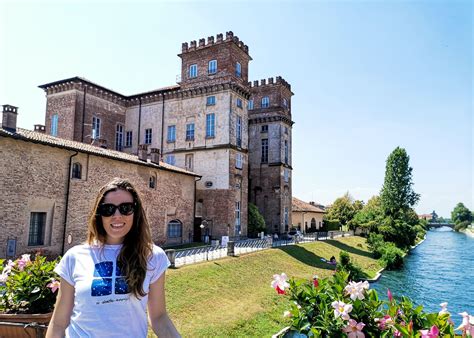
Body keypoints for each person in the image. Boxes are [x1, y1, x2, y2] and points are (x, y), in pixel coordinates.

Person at [46, 178, 180, 338]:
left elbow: (159, 317)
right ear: (99, 214)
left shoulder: (152, 256)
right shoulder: (74, 257)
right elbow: (59, 322)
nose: (117, 215)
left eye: (126, 208)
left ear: (135, 212)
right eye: (108, 209)